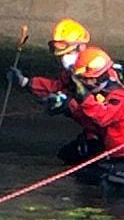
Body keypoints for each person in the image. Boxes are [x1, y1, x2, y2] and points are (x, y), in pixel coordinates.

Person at [55, 46, 124, 195]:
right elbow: (91, 120)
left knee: (114, 189)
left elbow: (102, 117)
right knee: (78, 167)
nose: (84, 84)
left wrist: (83, 98)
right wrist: (68, 106)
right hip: (117, 155)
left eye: (86, 80)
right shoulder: (103, 93)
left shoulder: (120, 99)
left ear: (97, 78)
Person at [7, 17, 102, 164]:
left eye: (68, 53)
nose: (65, 58)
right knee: (67, 155)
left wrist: (66, 104)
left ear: (81, 47)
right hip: (92, 132)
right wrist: (25, 82)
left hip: (110, 135)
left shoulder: (96, 72)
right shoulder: (72, 72)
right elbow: (58, 87)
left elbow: (100, 113)